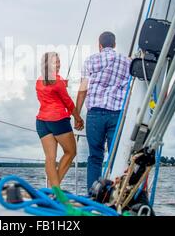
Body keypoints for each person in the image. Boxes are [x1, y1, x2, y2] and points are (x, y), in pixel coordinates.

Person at [75, 32, 131, 192]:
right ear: (114, 44)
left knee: (95, 157)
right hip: (117, 115)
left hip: (95, 115)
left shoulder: (91, 60)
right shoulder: (126, 61)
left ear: (99, 45)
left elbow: (82, 89)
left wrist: (77, 115)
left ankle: (93, 195)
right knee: (115, 156)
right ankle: (115, 195)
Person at [35, 52, 84, 198]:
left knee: (50, 158)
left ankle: (51, 192)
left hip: (41, 121)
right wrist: (78, 118)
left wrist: (63, 83)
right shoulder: (57, 82)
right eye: (55, 62)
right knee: (71, 152)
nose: (58, 65)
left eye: (59, 62)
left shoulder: (39, 80)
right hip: (57, 120)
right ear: (47, 64)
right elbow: (68, 102)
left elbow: (52, 90)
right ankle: (55, 188)